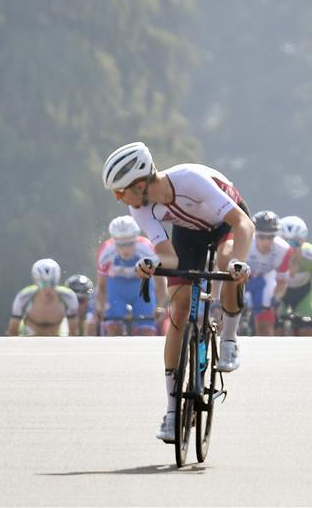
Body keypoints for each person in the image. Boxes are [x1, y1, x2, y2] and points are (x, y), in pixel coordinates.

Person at [102, 141, 254, 443]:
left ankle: (229, 339)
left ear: (142, 182)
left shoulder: (190, 179)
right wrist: (152, 263)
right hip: (189, 234)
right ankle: (172, 414)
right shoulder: (140, 208)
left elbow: (242, 223)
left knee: (226, 263)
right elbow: (168, 256)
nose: (120, 199)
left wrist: (239, 261)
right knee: (179, 310)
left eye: (121, 191)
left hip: (228, 224)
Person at [93, 216, 167, 336]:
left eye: (129, 243)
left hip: (142, 286)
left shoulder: (147, 249)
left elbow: (160, 283)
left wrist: (161, 306)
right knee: (113, 327)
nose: (125, 249)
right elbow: (102, 287)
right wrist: (100, 307)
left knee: (147, 329)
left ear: (136, 239)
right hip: (116, 287)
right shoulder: (105, 252)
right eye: (120, 244)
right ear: (114, 241)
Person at [277, 216, 312, 336]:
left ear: (303, 242)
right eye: (285, 243)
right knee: (275, 329)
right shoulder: (274, 255)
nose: (290, 248)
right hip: (280, 296)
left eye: (294, 243)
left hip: (303, 295)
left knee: (308, 332)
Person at [246, 210, 293, 337]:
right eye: (261, 237)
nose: (266, 242)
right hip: (243, 279)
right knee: (225, 316)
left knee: (265, 328)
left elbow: (282, 282)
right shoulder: (245, 242)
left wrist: (275, 299)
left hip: (264, 281)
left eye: (271, 237)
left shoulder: (284, 250)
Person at [8, 259, 79, 336]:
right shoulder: (23, 296)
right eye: (43, 284)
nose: (47, 289)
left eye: (52, 283)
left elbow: (73, 332)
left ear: (57, 280)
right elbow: (12, 331)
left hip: (57, 337)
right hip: (29, 337)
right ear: (35, 281)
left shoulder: (68, 297)